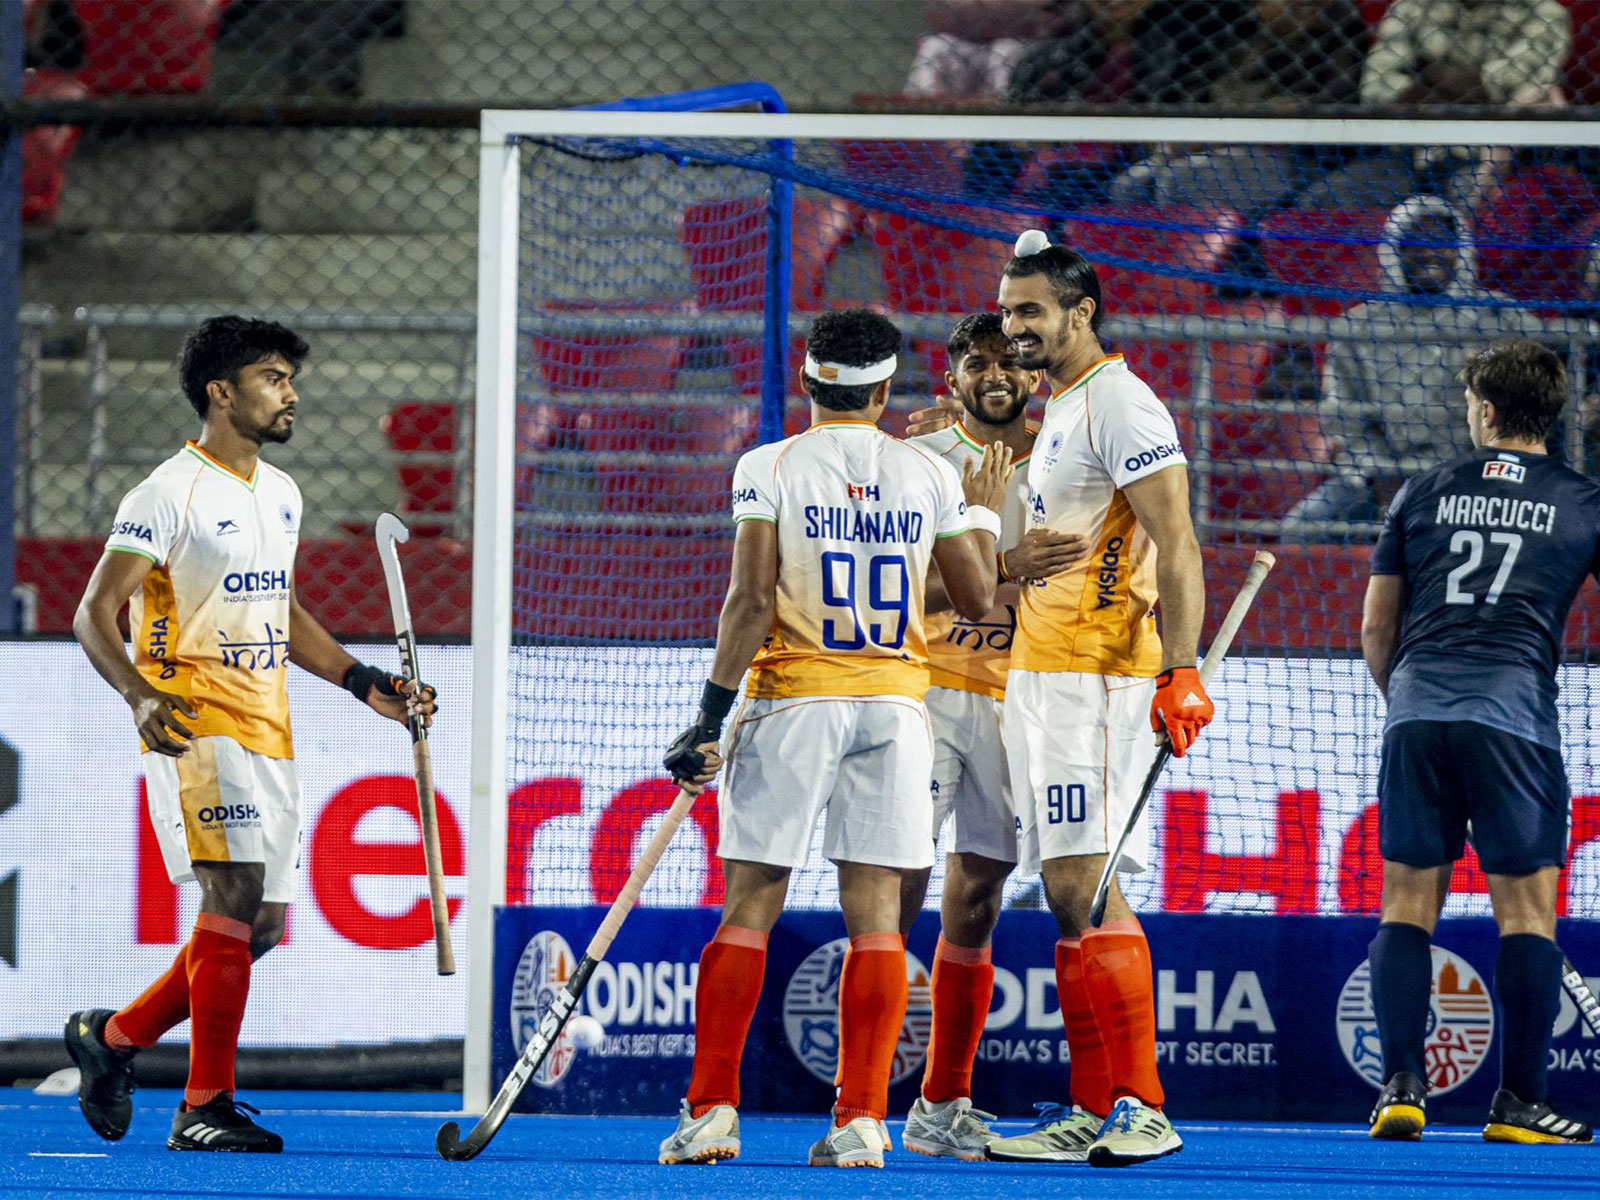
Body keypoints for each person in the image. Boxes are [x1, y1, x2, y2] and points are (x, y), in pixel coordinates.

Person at [65, 316, 436, 1153]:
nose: (291, 392)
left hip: (270, 726)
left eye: (290, 378)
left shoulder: (281, 492)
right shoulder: (167, 493)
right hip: (192, 721)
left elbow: (284, 611)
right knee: (229, 898)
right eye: (273, 377)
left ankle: (113, 1040)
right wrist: (136, 695)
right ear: (220, 393)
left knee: (259, 925)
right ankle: (204, 1104)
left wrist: (360, 680)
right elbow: (94, 611)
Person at [657, 308, 1010, 1169]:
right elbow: (974, 598)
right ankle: (860, 1121)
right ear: (887, 390)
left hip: (795, 699)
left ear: (809, 382)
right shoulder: (928, 471)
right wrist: (984, 514)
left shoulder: (767, 464)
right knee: (878, 920)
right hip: (896, 707)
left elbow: (748, 601)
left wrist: (707, 718)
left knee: (750, 905)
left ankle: (711, 1116)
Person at [909, 233, 1213, 1166]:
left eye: (1031, 311)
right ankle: (1090, 1106)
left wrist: (1182, 667)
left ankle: (1141, 1105)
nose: (1016, 327)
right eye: (1006, 312)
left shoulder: (1121, 402)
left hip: (1095, 679)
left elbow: (1180, 538)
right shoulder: (1067, 407)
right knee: (1064, 890)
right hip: (1039, 680)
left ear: (1081, 313)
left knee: (1084, 884)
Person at [1361, 339, 1597, 1146]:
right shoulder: (1583, 500)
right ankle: (1519, 1105)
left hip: (1417, 714)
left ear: (1487, 411)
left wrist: (1410, 703)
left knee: (1405, 903)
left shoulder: (1420, 493)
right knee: (1527, 915)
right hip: (1517, 722)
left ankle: (1401, 1088)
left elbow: (1375, 629)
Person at [898, 313, 1087, 1159]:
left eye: (1011, 361)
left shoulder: (1065, 461)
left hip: (1018, 698)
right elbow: (895, 590)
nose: (997, 375)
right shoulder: (921, 464)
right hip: (927, 691)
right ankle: (855, 1097)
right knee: (893, 886)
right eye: (978, 363)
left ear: (1034, 375)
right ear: (952, 381)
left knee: (976, 897)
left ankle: (940, 1106)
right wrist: (997, 573)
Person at [1283, 196, 1547, 536]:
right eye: (1415, 243)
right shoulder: (1358, 327)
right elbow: (1345, 420)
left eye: (1442, 242)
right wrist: (1379, 476)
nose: (1429, 252)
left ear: (1461, 250)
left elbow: (1551, 364)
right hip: (1387, 475)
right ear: (1394, 251)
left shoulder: (1496, 316)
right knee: (1301, 529)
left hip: (1481, 474)